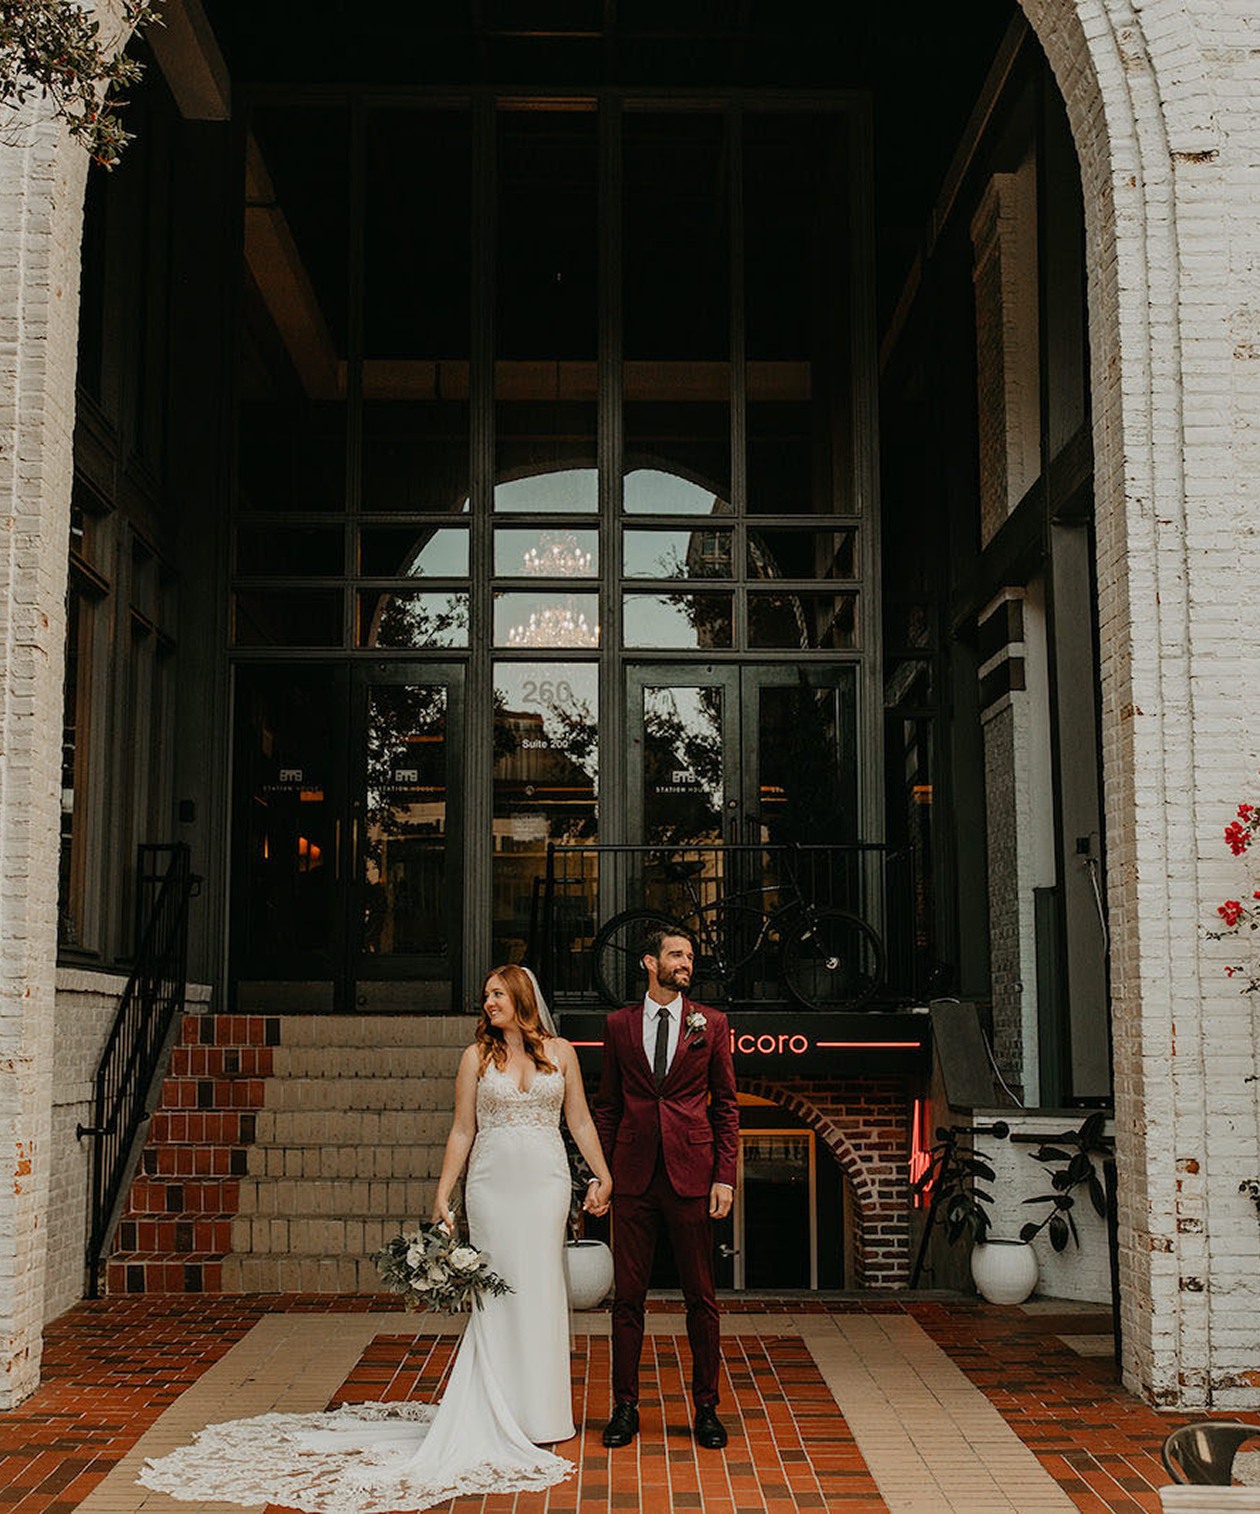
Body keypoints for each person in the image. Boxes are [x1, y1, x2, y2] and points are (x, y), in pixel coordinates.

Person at [137, 965, 612, 1514]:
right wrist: (444, 1194)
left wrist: (602, 1174)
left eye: (498, 994)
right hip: (493, 1186)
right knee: (497, 1296)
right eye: (486, 996)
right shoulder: (475, 1058)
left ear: (523, 997)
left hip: (547, 1183)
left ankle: (544, 1414)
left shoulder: (562, 1053)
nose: (488, 1003)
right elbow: (463, 1128)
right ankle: (498, 1409)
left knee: (542, 1291)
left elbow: (578, 1119)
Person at [593, 922, 739, 1451]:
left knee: (701, 1297)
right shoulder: (619, 1025)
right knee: (627, 1298)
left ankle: (706, 1409)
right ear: (648, 964)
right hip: (633, 1179)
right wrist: (602, 1174)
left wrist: (725, 1175)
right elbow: (608, 1105)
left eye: (691, 956)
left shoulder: (712, 1024)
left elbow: (725, 1104)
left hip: (692, 1177)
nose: (687, 963)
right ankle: (625, 1408)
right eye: (676, 955)